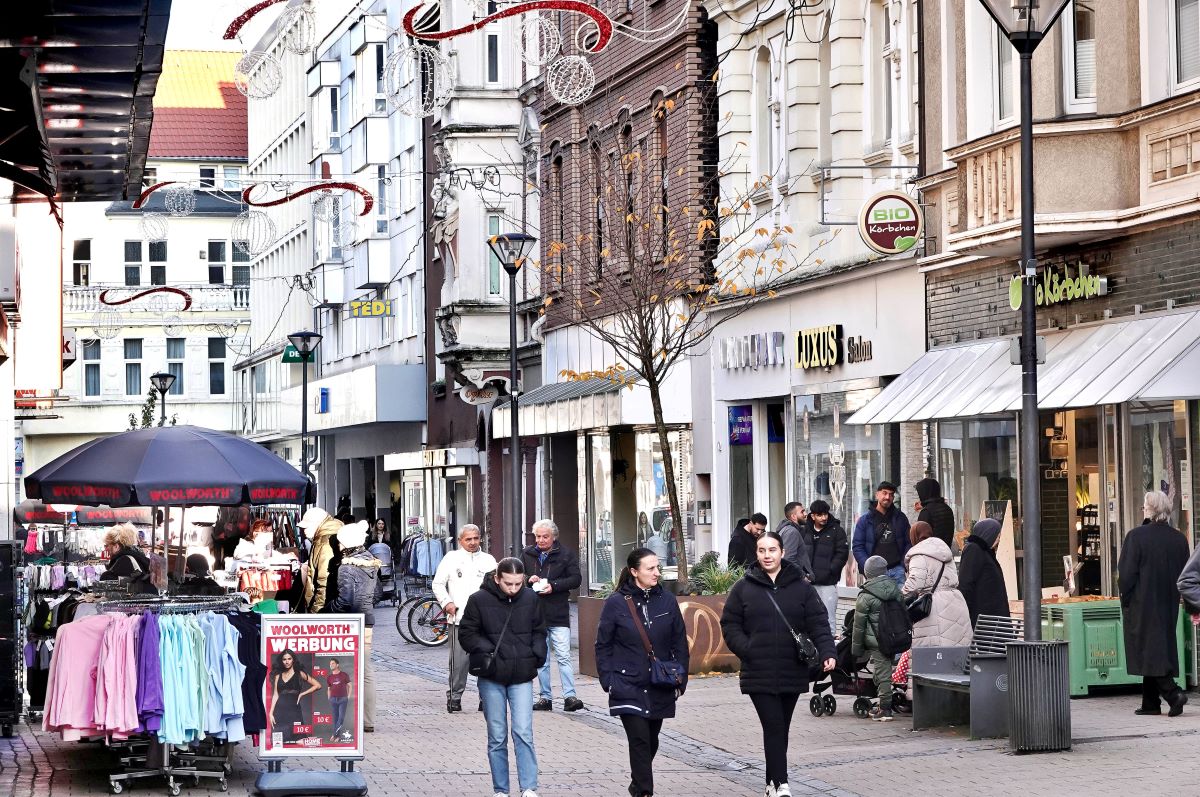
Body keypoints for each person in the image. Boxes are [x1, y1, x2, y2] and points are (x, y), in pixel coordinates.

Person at [720, 531, 836, 797]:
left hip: (792, 668)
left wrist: (828, 652)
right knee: (773, 725)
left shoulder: (801, 587)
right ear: (756, 554)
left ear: (782, 552)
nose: (767, 555)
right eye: (762, 550)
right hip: (758, 670)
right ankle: (781, 784)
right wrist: (747, 649)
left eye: (772, 550)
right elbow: (730, 624)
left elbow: (818, 622)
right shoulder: (744, 587)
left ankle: (770, 783)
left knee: (781, 728)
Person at [595, 548, 689, 797]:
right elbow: (603, 644)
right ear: (634, 572)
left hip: (660, 682)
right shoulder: (616, 603)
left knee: (651, 739)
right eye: (651, 568)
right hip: (627, 682)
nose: (657, 573)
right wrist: (608, 680)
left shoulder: (667, 600)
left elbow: (679, 640)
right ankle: (646, 791)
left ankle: (638, 785)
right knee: (639, 739)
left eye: (658, 567)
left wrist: (682, 678)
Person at [458, 558, 547, 797]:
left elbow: (539, 630)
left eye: (518, 583)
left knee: (523, 732)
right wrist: (487, 649)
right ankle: (501, 790)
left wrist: (538, 653)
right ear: (497, 578)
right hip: (492, 675)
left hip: (521, 673)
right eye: (509, 583)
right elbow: (466, 633)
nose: (514, 588)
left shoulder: (530, 598)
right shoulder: (478, 599)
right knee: (497, 735)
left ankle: (528, 787)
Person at [1120, 491, 1190, 716]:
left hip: (1143, 601)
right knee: (1157, 646)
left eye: (1144, 506)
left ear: (1150, 510)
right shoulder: (1179, 539)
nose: (1143, 509)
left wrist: (1126, 598)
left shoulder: (1136, 536)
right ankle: (1150, 703)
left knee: (1148, 648)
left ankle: (1173, 693)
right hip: (1169, 601)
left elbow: (1126, 574)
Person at [433, 523, 497, 713]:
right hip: (459, 617)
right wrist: (447, 602)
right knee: (459, 662)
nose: (472, 542)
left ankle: (485, 698)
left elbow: (497, 586)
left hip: (485, 621)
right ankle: (454, 696)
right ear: (460, 540)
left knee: (486, 660)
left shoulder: (489, 560)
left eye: (476, 538)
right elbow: (437, 584)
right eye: (468, 539)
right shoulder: (451, 558)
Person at [522, 519, 584, 712]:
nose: (540, 540)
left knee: (564, 656)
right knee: (542, 658)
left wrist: (554, 586)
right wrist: (526, 579)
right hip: (535, 614)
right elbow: (515, 577)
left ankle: (570, 696)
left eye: (545, 536)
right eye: (538, 536)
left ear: (554, 536)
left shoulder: (565, 555)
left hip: (558, 613)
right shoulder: (527, 554)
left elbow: (576, 579)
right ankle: (545, 697)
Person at [330, 520, 381, 732]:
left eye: (340, 543)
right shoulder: (371, 562)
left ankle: (347, 718)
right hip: (367, 620)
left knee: (345, 671)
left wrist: (328, 609)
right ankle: (368, 720)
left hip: (350, 622)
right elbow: (377, 594)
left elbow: (345, 600)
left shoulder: (347, 567)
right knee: (366, 671)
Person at [902, 521, 972, 648]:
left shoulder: (918, 555)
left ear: (914, 536)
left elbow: (915, 583)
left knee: (933, 655)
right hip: (955, 601)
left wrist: (899, 596)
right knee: (956, 647)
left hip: (932, 605)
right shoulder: (945, 552)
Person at [852, 555, 901, 722]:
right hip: (894, 638)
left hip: (876, 641)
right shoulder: (896, 590)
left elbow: (858, 626)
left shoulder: (865, 595)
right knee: (883, 669)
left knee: (882, 673)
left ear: (868, 573)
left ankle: (885, 709)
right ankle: (883, 699)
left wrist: (856, 650)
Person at [803, 500, 849, 638]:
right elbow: (800, 553)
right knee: (808, 615)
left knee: (829, 616)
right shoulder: (804, 530)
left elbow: (842, 553)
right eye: (819, 515)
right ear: (812, 516)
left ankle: (830, 647)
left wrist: (830, 570)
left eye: (825, 514)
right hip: (807, 581)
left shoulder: (836, 531)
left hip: (828, 582)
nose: (824, 518)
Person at [852, 482, 911, 586]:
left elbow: (909, 543)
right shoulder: (865, 520)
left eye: (891, 494)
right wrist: (868, 566)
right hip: (875, 573)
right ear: (877, 495)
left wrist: (903, 565)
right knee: (877, 602)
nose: (887, 497)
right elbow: (858, 547)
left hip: (897, 570)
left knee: (900, 601)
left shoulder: (900, 518)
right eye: (884, 493)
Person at [957, 518, 1009, 629]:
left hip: (991, 619)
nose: (999, 539)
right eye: (997, 535)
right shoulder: (974, 550)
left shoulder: (985, 552)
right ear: (988, 533)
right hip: (985, 620)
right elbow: (966, 584)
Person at [268, 648, 321, 741]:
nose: (287, 662)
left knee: (299, 740)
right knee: (280, 741)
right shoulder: (278, 676)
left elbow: (318, 685)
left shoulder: (299, 674)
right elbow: (276, 695)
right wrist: (271, 713)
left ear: (293, 660)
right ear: (282, 661)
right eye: (284, 659)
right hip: (279, 711)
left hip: (294, 710)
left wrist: (302, 694)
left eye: (289, 659)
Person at [300, 506, 343, 613]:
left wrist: (316, 611)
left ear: (317, 524)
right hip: (328, 603)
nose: (304, 531)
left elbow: (324, 581)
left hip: (325, 607)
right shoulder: (322, 538)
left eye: (306, 527)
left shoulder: (325, 543)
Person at [99, 522, 156, 594]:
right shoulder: (136, 557)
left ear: (116, 546)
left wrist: (104, 577)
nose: (105, 549)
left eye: (107, 545)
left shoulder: (124, 561)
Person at [775, 503, 813, 580]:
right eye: (802, 512)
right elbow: (788, 559)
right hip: (794, 580)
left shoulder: (788, 529)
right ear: (793, 516)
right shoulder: (791, 532)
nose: (806, 514)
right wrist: (803, 576)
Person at [915, 478, 956, 549]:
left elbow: (921, 539)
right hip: (946, 552)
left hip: (931, 555)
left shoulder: (927, 512)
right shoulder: (947, 508)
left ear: (925, 492)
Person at [324, 658, 353, 741]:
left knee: (341, 718)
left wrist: (348, 696)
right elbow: (329, 688)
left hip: (343, 699)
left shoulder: (344, 675)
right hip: (333, 700)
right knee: (335, 719)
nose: (331, 665)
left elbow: (350, 685)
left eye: (333, 663)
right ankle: (337, 736)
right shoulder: (329, 677)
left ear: (337, 665)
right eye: (330, 664)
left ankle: (334, 734)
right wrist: (329, 698)